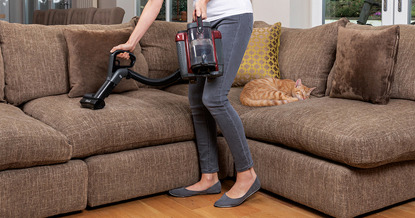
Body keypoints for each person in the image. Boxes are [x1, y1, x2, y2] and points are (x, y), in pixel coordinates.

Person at [111, 0, 259, 207]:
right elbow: (154, 3)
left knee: (214, 98)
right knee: (197, 100)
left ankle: (247, 174)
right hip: (204, 22)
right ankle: (209, 178)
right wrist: (131, 42)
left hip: (233, 17)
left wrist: (201, 1)